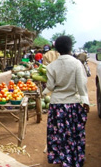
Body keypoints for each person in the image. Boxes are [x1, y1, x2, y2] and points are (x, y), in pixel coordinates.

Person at [42, 36, 90, 167]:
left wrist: (43, 93)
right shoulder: (76, 64)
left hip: (57, 106)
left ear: (57, 49)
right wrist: (85, 102)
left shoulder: (51, 66)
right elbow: (82, 85)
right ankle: (74, 159)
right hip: (73, 105)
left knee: (59, 134)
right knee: (73, 133)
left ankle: (62, 158)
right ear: (70, 47)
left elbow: (50, 87)